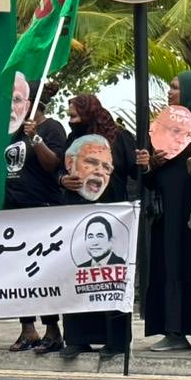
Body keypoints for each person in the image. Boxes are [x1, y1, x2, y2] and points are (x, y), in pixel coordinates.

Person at [139, 71, 191, 352]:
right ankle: (173, 331)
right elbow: (150, 180)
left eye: (176, 88)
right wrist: (152, 164)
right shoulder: (164, 129)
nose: (170, 92)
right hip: (168, 213)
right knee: (169, 264)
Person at [60, 95, 137, 362]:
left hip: (112, 219)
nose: (71, 120)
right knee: (79, 277)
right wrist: (63, 180)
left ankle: (116, 341)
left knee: (111, 278)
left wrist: (147, 163)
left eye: (74, 115)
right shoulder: (73, 140)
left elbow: (137, 172)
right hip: (77, 218)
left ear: (90, 113)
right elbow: (58, 170)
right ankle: (77, 339)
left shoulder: (120, 138)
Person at [4, 72, 69, 355]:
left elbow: (53, 164)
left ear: (33, 103)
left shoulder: (52, 128)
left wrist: (36, 138)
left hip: (42, 209)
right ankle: (27, 328)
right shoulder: (16, 131)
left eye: (19, 100)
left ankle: (53, 330)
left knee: (43, 273)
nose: (14, 106)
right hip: (15, 209)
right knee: (20, 273)